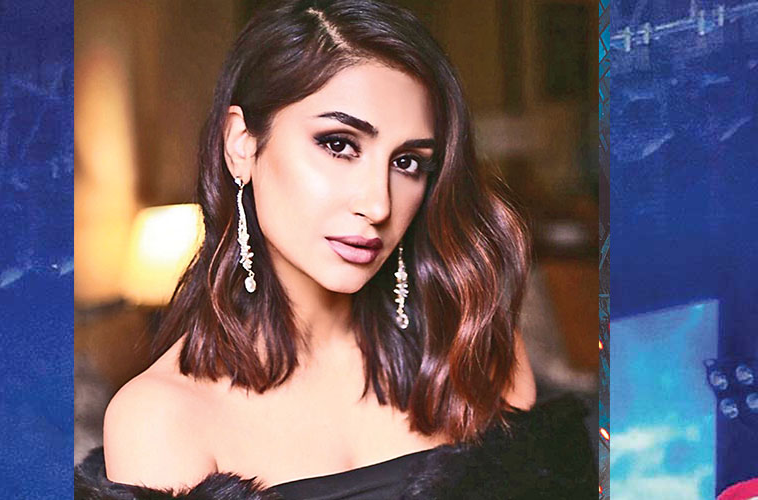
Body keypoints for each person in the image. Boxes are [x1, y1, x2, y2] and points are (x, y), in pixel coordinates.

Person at [74, 0, 596, 498]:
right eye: (339, 144)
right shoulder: (160, 417)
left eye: (408, 162)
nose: (377, 203)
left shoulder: (472, 344)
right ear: (241, 145)